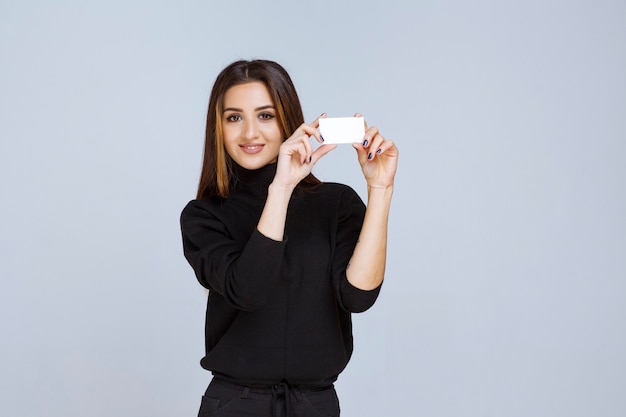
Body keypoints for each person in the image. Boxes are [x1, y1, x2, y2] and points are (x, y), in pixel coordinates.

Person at [180, 59, 398, 417]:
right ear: (217, 128)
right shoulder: (204, 215)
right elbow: (247, 290)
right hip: (235, 404)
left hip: (314, 404)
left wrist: (380, 188)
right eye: (234, 117)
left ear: (288, 119)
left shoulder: (336, 203)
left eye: (265, 115)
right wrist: (281, 187)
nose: (250, 132)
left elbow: (358, 296)